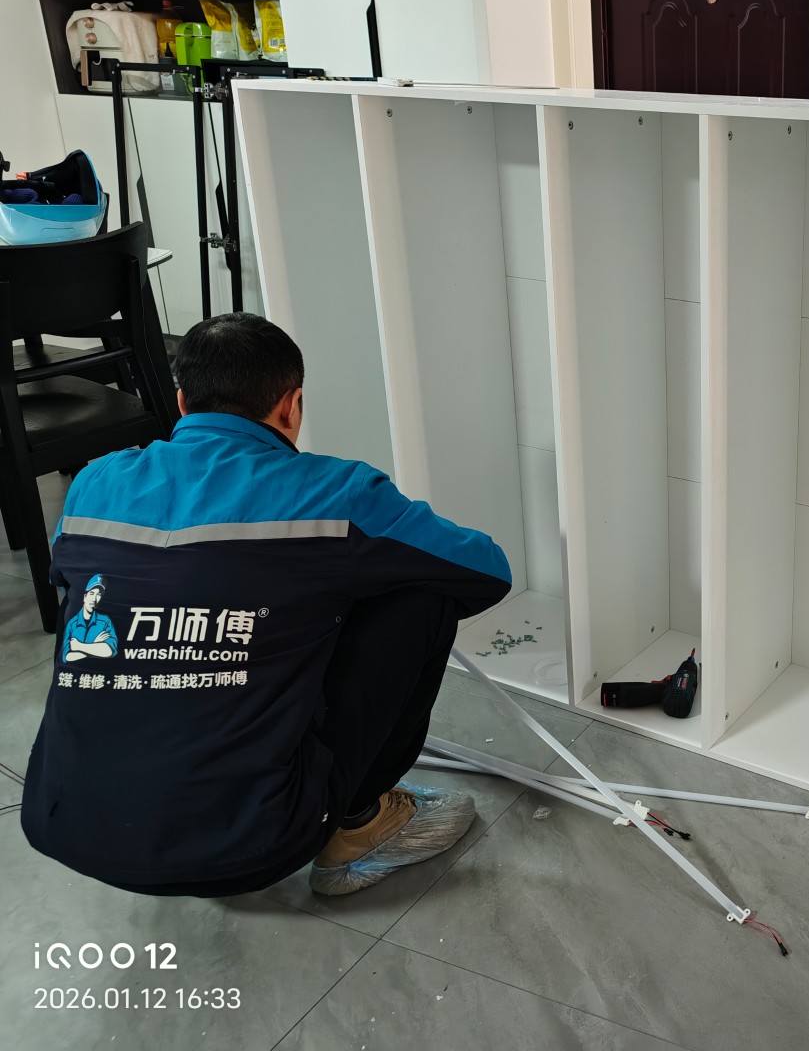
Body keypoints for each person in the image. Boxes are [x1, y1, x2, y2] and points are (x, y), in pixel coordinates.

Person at [22, 313, 512, 897]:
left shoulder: (95, 482)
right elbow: (486, 569)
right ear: (291, 405)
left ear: (182, 402)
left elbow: (67, 580)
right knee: (421, 593)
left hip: (62, 822)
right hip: (250, 845)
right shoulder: (338, 493)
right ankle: (360, 825)